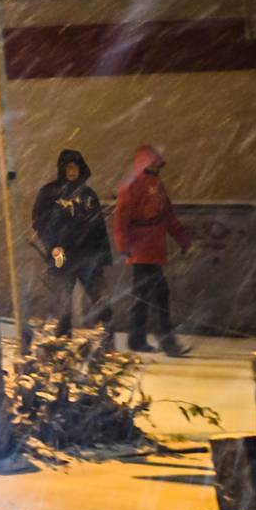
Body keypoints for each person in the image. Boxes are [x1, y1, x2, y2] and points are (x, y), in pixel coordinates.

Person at [109, 144, 193, 356]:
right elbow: (121, 217)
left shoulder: (153, 185)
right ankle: (166, 341)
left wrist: (182, 239)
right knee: (157, 294)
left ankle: (138, 339)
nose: (157, 167)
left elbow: (168, 217)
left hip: (150, 250)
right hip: (142, 250)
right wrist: (124, 244)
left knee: (143, 296)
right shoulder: (135, 186)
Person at [29, 148, 111, 341]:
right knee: (63, 302)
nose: (72, 171)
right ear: (62, 169)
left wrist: (101, 255)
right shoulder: (50, 194)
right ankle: (62, 340)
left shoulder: (88, 195)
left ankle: (108, 341)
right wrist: (52, 246)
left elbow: (98, 227)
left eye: (76, 167)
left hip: (88, 255)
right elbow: (40, 222)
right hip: (62, 255)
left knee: (101, 299)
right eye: (68, 167)